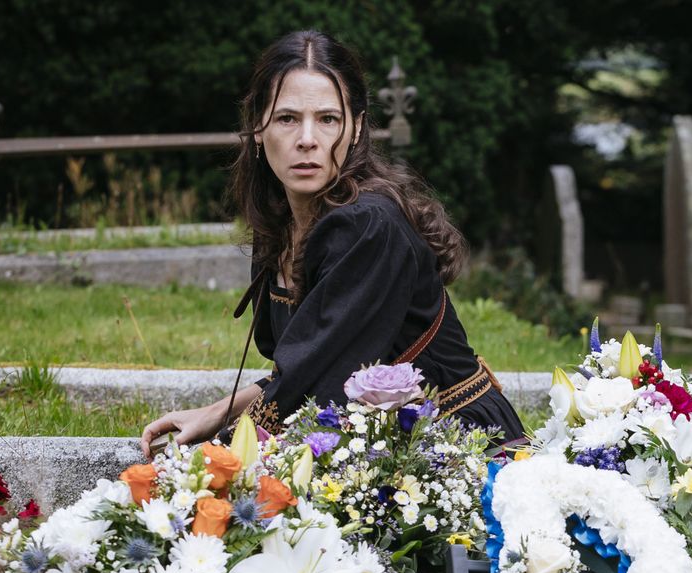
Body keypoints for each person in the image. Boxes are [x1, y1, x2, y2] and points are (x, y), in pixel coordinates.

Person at [140, 30, 524, 457]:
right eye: (287, 118)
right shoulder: (282, 221)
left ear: (356, 126)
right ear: (257, 128)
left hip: (456, 446)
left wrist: (212, 462)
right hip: (370, 438)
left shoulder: (367, 226)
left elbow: (316, 383)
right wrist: (218, 411)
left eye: (328, 119)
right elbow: (310, 362)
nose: (307, 139)